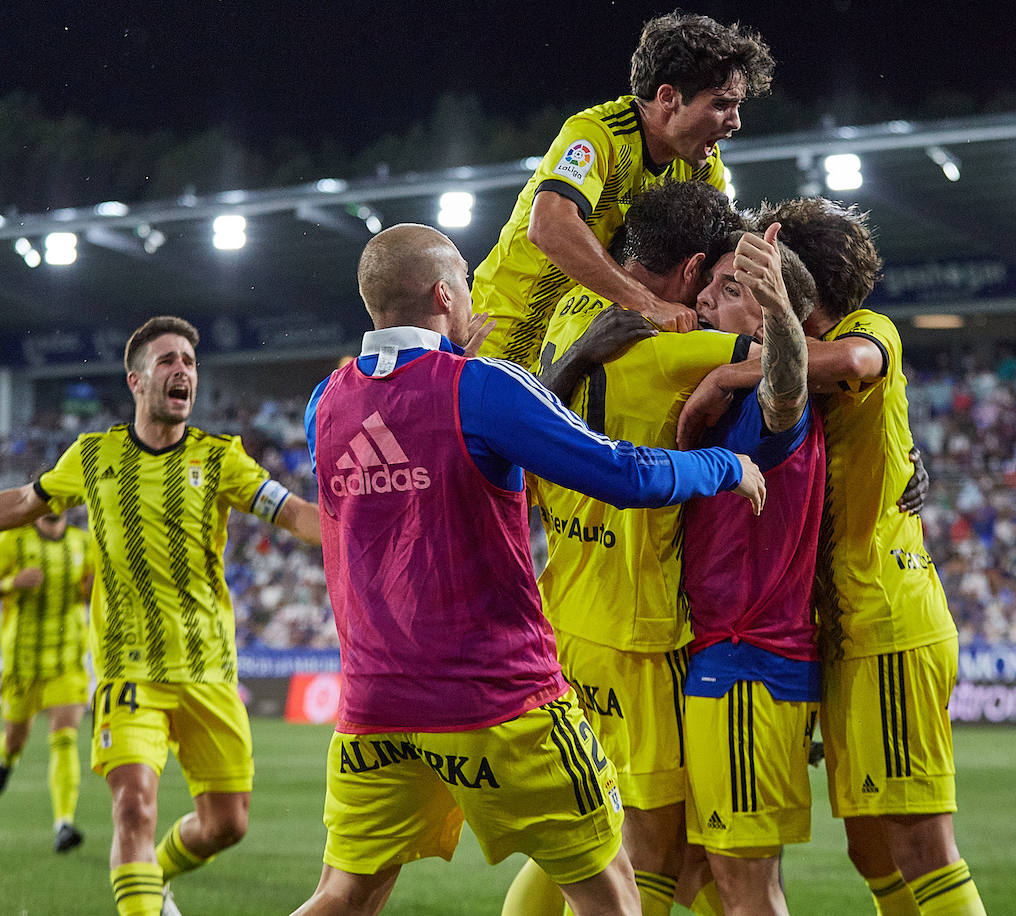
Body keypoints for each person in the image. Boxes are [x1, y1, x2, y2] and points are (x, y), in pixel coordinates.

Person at [292, 223, 766, 916]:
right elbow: (621, 472)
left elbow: (412, 448)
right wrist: (725, 464)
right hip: (501, 702)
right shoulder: (483, 388)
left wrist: (456, 366)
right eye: (465, 279)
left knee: (345, 894)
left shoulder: (323, 403)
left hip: (375, 705)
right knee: (612, 896)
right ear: (445, 293)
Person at [0, 315, 322, 916]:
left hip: (210, 673)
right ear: (136, 380)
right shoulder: (93, 455)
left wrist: (379, 524)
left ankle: (150, 879)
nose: (182, 369)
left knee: (226, 825)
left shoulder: (221, 459)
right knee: (133, 806)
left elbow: (294, 515)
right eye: (167, 360)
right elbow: (26, 502)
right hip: (127, 671)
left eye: (188, 360)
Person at [680, 197, 986, 915]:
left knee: (918, 845)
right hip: (838, 626)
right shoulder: (799, 381)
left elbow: (849, 361)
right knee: (872, 848)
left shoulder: (861, 333)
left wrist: (728, 370)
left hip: (885, 613)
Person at [519, 179, 759, 916]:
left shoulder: (570, 310)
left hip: (566, 611)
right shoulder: (672, 343)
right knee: (655, 845)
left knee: (585, 832)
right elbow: (801, 359)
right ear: (690, 271)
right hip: (637, 628)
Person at [471, 11, 773, 367]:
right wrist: (648, 303)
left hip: (590, 336)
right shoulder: (596, 134)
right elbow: (549, 226)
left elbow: (720, 255)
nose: (735, 121)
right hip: (506, 335)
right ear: (667, 97)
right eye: (721, 104)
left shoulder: (703, 165)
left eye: (737, 106)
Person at [680, 224, 824, 916]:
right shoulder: (726, 403)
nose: (707, 301)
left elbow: (788, 386)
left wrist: (782, 326)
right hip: (725, 662)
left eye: (731, 289)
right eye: (709, 285)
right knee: (690, 872)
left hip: (746, 666)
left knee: (746, 888)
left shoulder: (769, 419)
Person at [0, 511, 95, 853]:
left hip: (67, 660)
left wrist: (92, 589)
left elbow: (92, 588)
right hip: (22, 661)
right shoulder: (10, 540)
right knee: (16, 738)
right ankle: (7, 760)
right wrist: (11, 583)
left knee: (64, 739)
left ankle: (64, 822)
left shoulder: (84, 542)